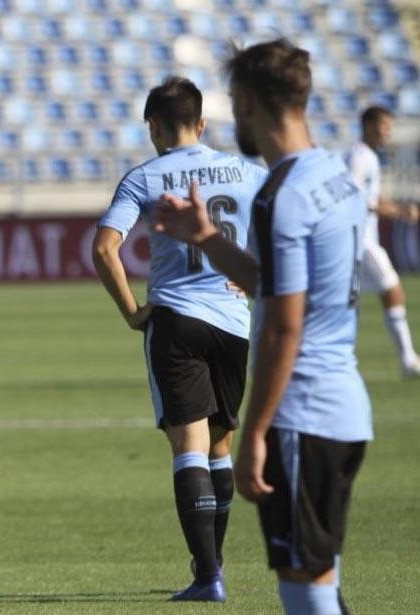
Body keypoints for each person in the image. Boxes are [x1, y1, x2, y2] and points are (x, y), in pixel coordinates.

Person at [154, 39, 372, 615]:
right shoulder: (335, 178)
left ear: (247, 101)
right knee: (322, 581)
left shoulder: (283, 195)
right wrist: (206, 240)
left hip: (304, 414)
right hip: (347, 407)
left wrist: (255, 432)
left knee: (303, 592)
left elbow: (282, 326)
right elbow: (275, 283)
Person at [92, 76, 267, 602]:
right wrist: (253, 274)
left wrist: (130, 311)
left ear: (154, 127)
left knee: (187, 445)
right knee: (219, 444)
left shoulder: (145, 177)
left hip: (176, 318)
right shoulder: (247, 171)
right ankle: (212, 565)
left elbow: (105, 248)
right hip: (235, 322)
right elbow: (281, 229)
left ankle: (207, 576)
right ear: (203, 123)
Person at [345, 106, 420, 378]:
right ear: (368, 125)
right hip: (361, 240)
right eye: (383, 125)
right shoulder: (360, 157)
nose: (387, 131)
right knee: (393, 289)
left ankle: (343, 361)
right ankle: (408, 359)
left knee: (349, 304)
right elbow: (354, 196)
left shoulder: (370, 157)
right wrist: (398, 211)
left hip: (363, 238)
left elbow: (371, 197)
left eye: (389, 125)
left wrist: (397, 207)